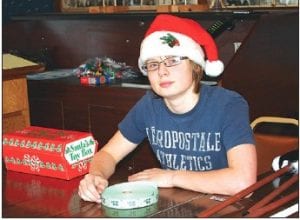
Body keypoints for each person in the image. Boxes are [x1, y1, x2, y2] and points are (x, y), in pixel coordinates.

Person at [78, 14, 257, 203]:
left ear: (195, 66)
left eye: (172, 60)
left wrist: (171, 177)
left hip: (222, 207)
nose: (162, 71)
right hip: (176, 205)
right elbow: (108, 154)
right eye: (153, 64)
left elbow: (243, 182)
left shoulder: (228, 105)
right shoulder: (149, 105)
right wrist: (95, 176)